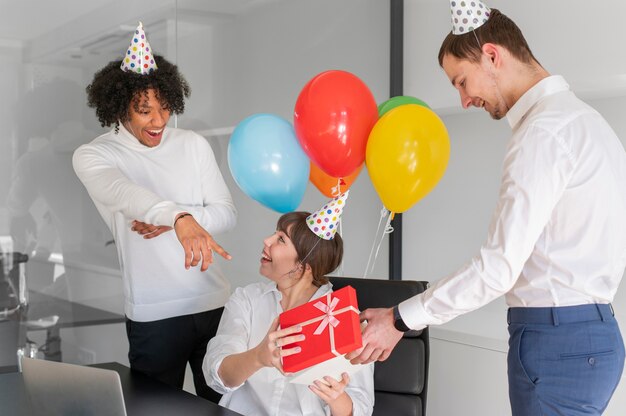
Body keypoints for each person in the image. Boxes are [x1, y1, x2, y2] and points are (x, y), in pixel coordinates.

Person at [347, 3, 626, 415]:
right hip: (592, 335)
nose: (462, 100)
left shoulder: (543, 133)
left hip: (556, 341)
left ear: (493, 56)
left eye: (462, 81)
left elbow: (498, 268)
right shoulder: (588, 122)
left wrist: (400, 319)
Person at [73, 22, 236, 403]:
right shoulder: (95, 155)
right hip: (154, 315)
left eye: (164, 108)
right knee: (154, 410)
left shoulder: (193, 145)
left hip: (216, 305)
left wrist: (178, 222)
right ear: (118, 107)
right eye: (144, 111)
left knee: (225, 406)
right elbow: (126, 193)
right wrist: (178, 219)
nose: (159, 121)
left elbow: (226, 214)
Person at [203, 198, 375, 416]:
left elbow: (361, 408)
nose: (267, 240)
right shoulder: (247, 300)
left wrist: (336, 398)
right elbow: (217, 377)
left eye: (281, 239)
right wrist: (257, 357)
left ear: (304, 266)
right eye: (275, 234)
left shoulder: (345, 320)